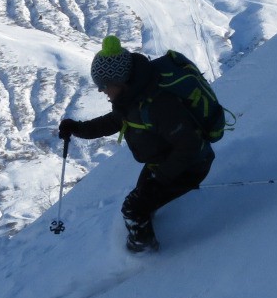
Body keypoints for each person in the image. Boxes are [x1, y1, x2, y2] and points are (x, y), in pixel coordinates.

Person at [59, 35, 215, 252]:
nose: (101, 90)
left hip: (190, 165)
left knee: (134, 208)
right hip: (162, 162)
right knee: (141, 203)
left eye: (104, 85)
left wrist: (160, 179)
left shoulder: (158, 104)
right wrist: (77, 128)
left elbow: (189, 145)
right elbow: (114, 122)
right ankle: (145, 244)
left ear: (120, 82)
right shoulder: (132, 98)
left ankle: (145, 260)